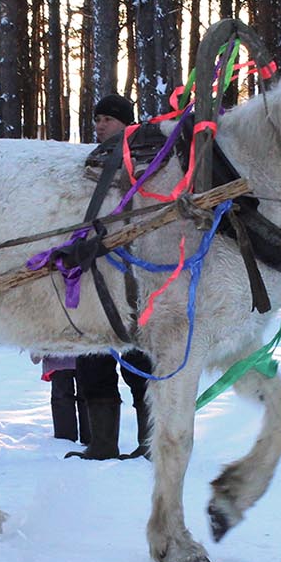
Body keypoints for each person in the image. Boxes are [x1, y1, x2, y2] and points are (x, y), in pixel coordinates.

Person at [69, 94, 155, 460]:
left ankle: (148, 443)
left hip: (135, 280)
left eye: (107, 118)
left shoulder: (147, 158)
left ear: (124, 122)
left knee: (140, 365)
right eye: (97, 118)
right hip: (91, 275)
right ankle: (102, 443)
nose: (99, 124)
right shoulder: (89, 162)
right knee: (91, 361)